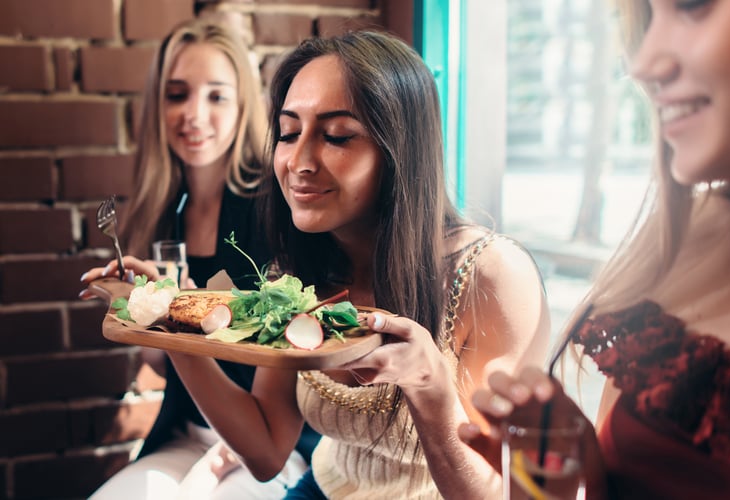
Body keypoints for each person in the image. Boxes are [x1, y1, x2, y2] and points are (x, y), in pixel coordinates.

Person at [166, 29, 551, 500]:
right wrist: (171, 330)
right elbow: (267, 451)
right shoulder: (297, 272)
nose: (299, 161)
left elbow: (515, 494)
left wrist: (430, 387)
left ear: (399, 151)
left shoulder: (492, 276)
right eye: (288, 133)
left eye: (337, 136)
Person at [459, 1, 730, 498]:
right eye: (648, 18)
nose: (642, 64)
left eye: (692, 5)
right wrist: (559, 476)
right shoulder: (678, 245)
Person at [79, 18, 318, 499]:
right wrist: (138, 313)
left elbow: (272, 392)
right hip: (186, 434)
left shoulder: (278, 208)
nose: (194, 114)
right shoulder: (164, 211)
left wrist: (177, 312)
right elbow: (162, 364)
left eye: (216, 96)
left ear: (243, 104)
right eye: (177, 94)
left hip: (271, 445)